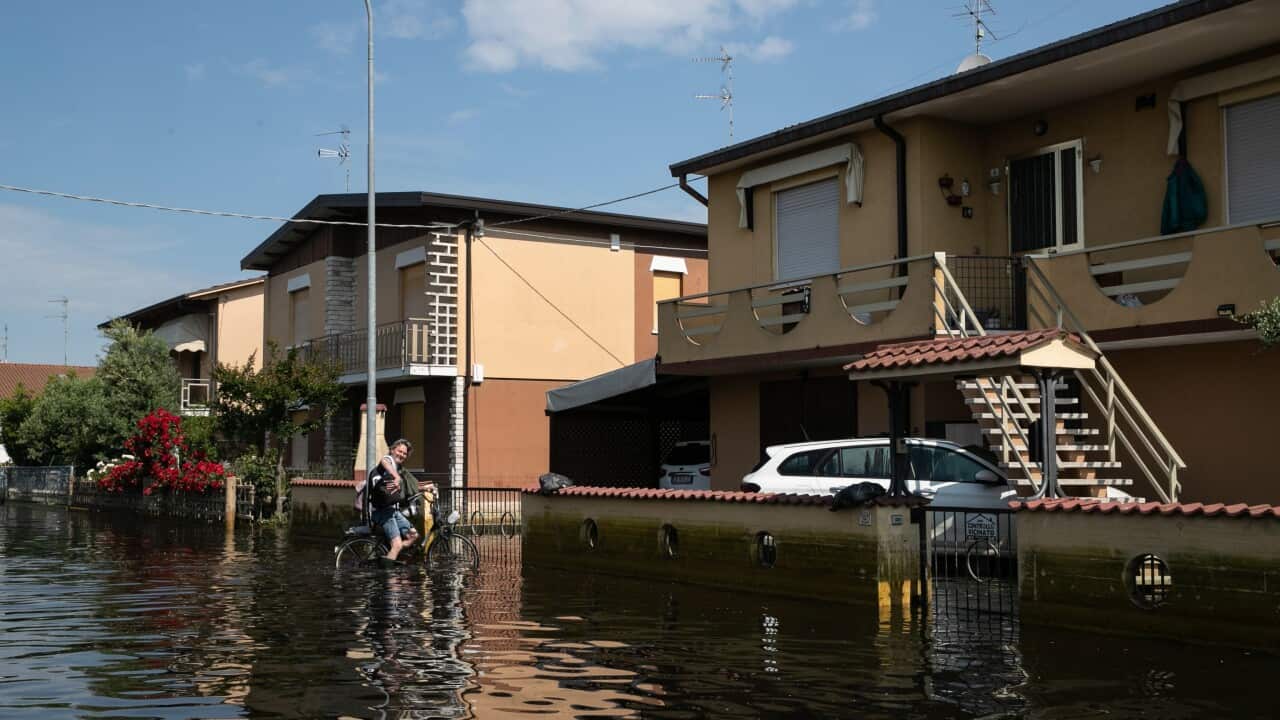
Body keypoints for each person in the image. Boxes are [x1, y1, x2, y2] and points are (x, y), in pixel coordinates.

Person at [368, 439, 421, 562]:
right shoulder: (389, 461)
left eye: (404, 453)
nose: (402, 455)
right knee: (396, 545)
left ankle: (390, 558)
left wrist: (428, 488)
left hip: (392, 511)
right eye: (399, 451)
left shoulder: (397, 468)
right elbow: (384, 461)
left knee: (413, 535)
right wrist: (396, 477)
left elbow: (412, 485)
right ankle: (388, 570)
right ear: (392, 450)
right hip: (382, 511)